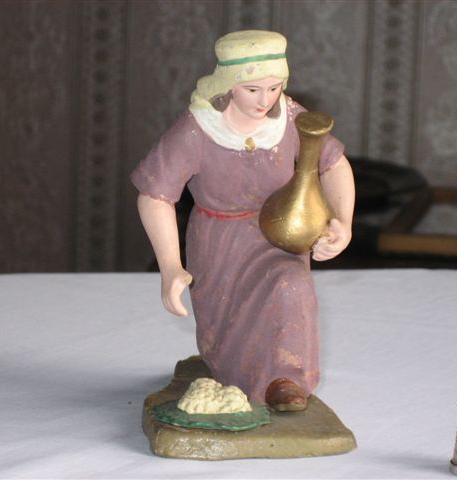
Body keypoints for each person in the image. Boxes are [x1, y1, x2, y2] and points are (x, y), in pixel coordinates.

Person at [131, 30, 355, 411]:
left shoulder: (289, 117)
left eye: (274, 88)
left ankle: (285, 381)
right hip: (221, 246)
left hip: (279, 236)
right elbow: (155, 195)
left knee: (291, 286)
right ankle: (238, 375)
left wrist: (343, 223)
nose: (265, 100)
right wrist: (170, 267)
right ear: (230, 84)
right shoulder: (199, 128)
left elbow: (333, 164)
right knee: (231, 336)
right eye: (253, 90)